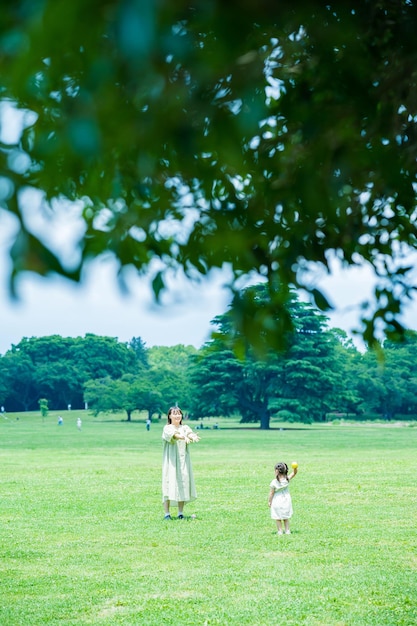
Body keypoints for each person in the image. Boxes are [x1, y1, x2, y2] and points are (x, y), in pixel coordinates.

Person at [162, 406, 200, 520]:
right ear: (169, 416)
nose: (177, 415)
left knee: (182, 483)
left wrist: (193, 436)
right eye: (174, 413)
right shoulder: (167, 428)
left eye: (179, 413)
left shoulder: (185, 427)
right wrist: (183, 437)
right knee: (168, 484)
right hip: (171, 461)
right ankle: (167, 514)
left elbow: (189, 433)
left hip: (183, 461)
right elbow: (175, 435)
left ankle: (180, 513)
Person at [268, 461, 298, 535]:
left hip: (277, 500)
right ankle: (287, 530)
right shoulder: (286, 479)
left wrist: (269, 501)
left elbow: (271, 493)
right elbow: (294, 473)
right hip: (286, 500)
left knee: (278, 517)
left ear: (276, 471)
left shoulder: (274, 482)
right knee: (285, 517)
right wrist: (295, 468)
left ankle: (280, 531)